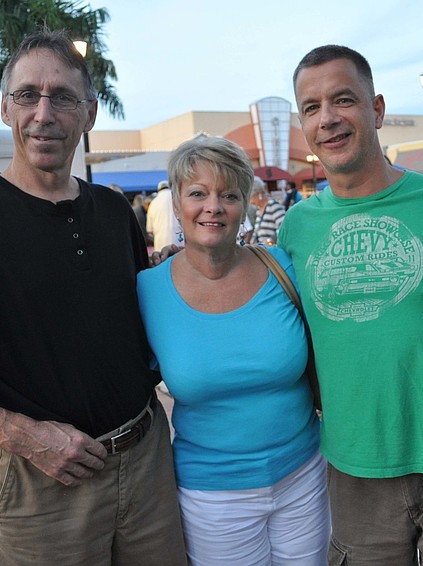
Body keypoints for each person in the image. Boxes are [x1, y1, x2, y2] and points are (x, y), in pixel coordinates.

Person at [0, 30, 187, 566]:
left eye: (63, 97)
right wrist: (22, 436)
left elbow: (137, 327)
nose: (44, 113)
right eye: (28, 95)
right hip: (43, 490)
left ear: (89, 114)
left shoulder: (115, 213)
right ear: (6, 108)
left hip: (148, 468)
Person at [279, 44, 423, 564]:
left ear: (377, 109)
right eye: (312, 108)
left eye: (343, 100)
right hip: (354, 464)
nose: (328, 119)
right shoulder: (295, 227)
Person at [137, 135, 329, 565]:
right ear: (177, 204)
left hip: (304, 478)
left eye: (229, 194)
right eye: (198, 193)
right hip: (212, 498)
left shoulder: (283, 268)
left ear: (246, 205)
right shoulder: (147, 292)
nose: (214, 206)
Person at [147, 179, 184, 250]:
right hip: (180, 241)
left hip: (161, 244)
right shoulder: (178, 199)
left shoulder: (153, 203)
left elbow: (149, 229)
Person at [251, 175, 287, 245]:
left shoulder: (273, 206)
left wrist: (269, 242)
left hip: (271, 252)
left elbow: (284, 228)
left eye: (250, 197)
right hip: (262, 251)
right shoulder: (259, 210)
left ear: (258, 194)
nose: (250, 202)